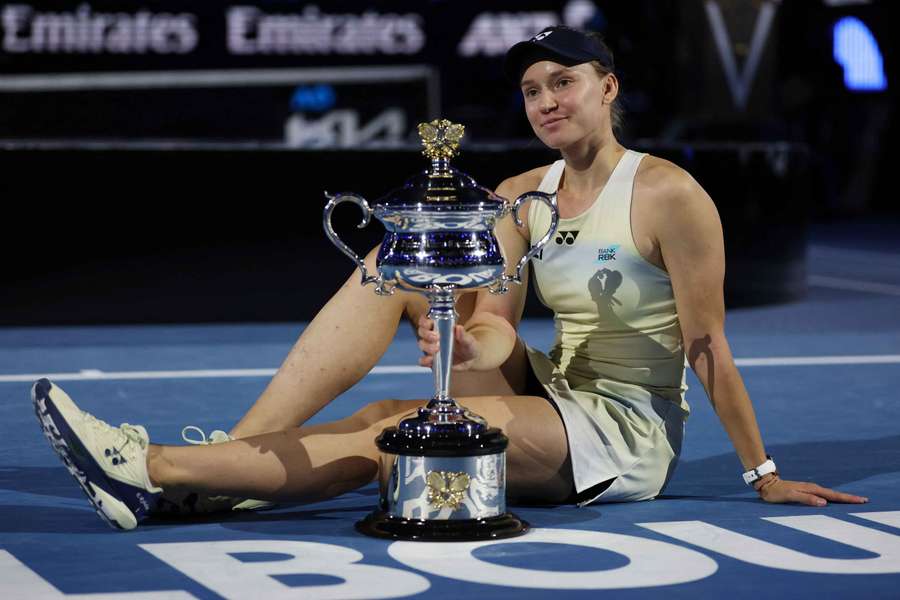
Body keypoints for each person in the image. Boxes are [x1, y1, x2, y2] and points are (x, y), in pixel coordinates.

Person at [32, 25, 866, 531]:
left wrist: (764, 476)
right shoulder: (516, 195)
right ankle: (244, 462)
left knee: (398, 422)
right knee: (393, 264)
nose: (546, 100)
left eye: (564, 82)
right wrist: (466, 338)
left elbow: (707, 345)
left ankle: (152, 468)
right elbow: (501, 324)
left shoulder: (667, 194)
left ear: (607, 88)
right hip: (553, 388)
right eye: (533, 89)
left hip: (621, 435)